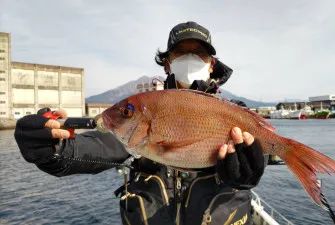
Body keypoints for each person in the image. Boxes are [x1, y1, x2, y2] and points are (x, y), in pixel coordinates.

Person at [14, 21, 266, 225]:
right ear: (167, 63)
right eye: (181, 52)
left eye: (199, 53)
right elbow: (102, 145)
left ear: (211, 66)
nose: (190, 58)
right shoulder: (145, 111)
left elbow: (260, 148)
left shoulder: (236, 114)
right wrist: (53, 150)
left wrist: (250, 170)